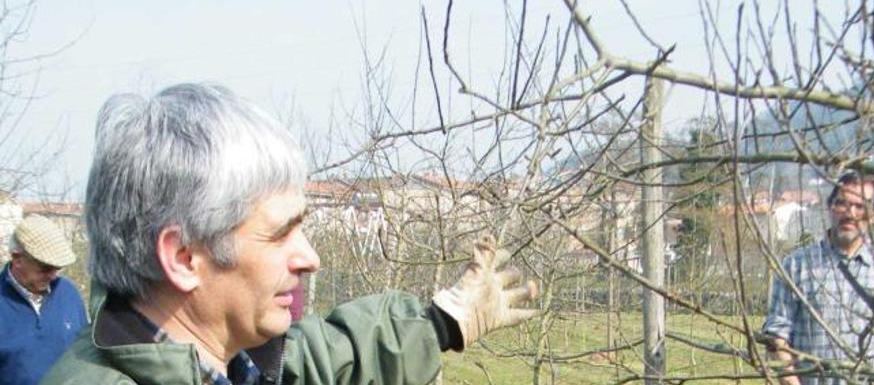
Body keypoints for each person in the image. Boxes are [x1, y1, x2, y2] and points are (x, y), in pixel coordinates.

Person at [41, 83, 539, 385]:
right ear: (184, 256)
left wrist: (440, 322)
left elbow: (325, 357)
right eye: (280, 234)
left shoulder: (228, 364)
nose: (310, 258)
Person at [763, 171, 874, 384]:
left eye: (860, 206)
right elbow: (776, 334)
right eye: (841, 203)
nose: (850, 213)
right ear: (830, 207)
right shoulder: (796, 265)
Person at [0, 214, 88, 385]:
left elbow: (85, 352)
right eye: (45, 268)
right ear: (17, 258)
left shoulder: (69, 293)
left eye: (57, 268)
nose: (53, 276)